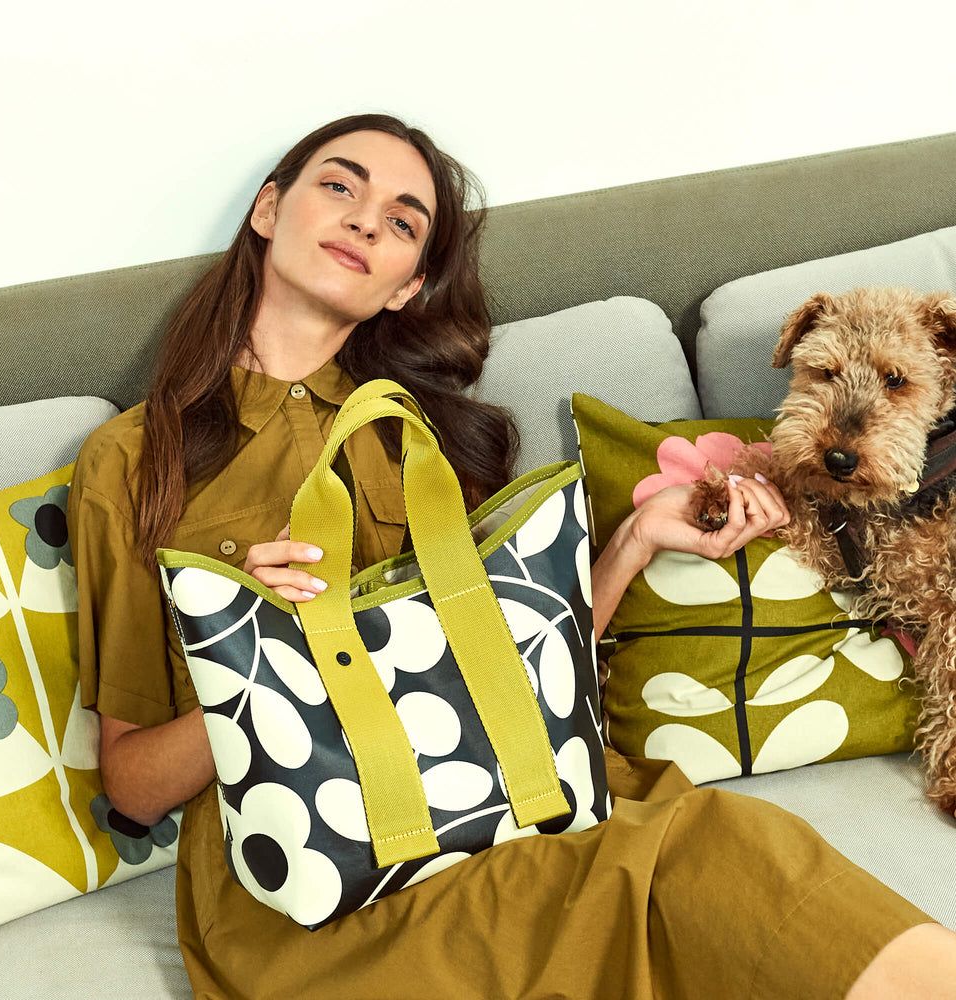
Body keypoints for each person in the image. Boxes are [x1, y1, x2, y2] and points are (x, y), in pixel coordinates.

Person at [67, 113, 956, 1000]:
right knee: (645, 875)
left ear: (406, 288)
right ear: (268, 210)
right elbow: (136, 787)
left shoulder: (420, 441)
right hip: (331, 869)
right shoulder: (136, 458)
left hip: (523, 788)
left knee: (742, 851)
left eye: (404, 221)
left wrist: (635, 541)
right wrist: (274, 655)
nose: (368, 220)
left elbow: (521, 668)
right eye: (340, 187)